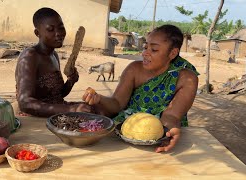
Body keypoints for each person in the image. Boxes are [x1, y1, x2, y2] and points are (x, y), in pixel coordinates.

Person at [82, 25, 199, 153]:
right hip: (125, 131)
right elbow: (117, 104)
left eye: (153, 49)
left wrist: (169, 132)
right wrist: (99, 99)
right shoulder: (134, 70)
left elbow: (171, 115)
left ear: (172, 53)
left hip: (157, 136)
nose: (144, 53)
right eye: (145, 47)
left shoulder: (187, 78)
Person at [15, 7, 93, 117]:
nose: (59, 33)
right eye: (50, 29)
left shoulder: (54, 55)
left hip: (56, 112)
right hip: (35, 118)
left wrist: (71, 81)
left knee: (96, 109)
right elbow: (25, 103)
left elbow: (57, 95)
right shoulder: (30, 56)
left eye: (61, 28)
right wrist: (71, 109)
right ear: (37, 33)